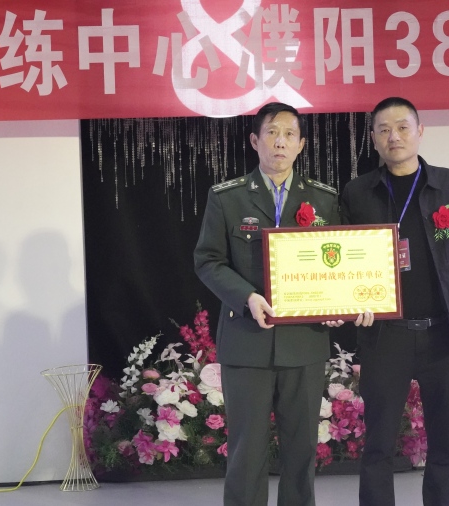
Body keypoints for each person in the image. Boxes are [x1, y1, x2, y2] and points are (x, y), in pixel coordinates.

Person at [340, 97, 449, 506]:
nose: (394, 136)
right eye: (384, 130)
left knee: (444, 443)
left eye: (403, 127)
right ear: (374, 138)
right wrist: (349, 302)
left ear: (420, 131)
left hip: (443, 334)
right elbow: (343, 266)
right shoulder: (358, 193)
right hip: (384, 337)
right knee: (378, 444)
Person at [194, 102, 340, 506]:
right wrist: (247, 297)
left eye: (290, 134)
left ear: (301, 144)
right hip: (247, 340)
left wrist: (340, 302)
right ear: (255, 140)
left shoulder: (324, 199)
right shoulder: (227, 197)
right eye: (272, 133)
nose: (280, 142)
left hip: (305, 341)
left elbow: (339, 259)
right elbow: (208, 260)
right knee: (246, 450)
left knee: (302, 450)